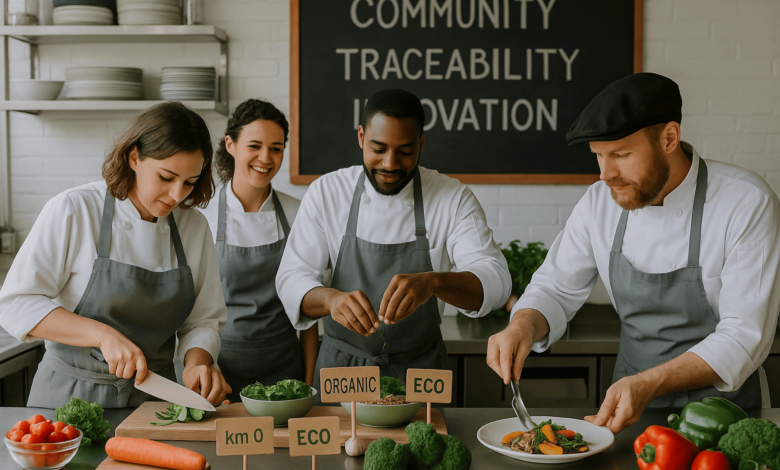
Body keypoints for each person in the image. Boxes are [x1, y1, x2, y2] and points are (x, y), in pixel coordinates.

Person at [487, 73, 780, 433]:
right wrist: (522, 326)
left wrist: (649, 383)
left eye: (622, 155)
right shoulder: (600, 204)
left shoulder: (745, 202)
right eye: (598, 156)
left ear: (669, 138)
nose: (605, 174)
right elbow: (554, 288)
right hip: (628, 414)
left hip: (725, 417)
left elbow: (743, 336)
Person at [276, 88, 511, 394]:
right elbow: (291, 278)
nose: (390, 163)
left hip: (422, 373)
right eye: (378, 148)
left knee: (426, 442)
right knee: (343, 444)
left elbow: (495, 278)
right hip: (344, 371)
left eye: (405, 150)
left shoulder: (452, 198)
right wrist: (330, 299)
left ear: (422, 143)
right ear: (361, 137)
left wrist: (434, 283)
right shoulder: (327, 193)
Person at [0, 102, 231, 408]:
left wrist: (197, 362)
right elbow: (16, 303)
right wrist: (101, 335)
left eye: (189, 182)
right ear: (134, 157)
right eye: (166, 177)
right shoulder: (75, 209)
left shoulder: (193, 227)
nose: (177, 195)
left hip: (153, 403)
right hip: (67, 401)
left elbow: (203, 319)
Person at [199, 99, 318, 402]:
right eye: (254, 145)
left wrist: (307, 384)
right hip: (217, 373)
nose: (266, 158)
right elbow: (190, 314)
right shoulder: (202, 216)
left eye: (276, 148)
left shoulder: (297, 212)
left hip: (283, 371)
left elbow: (309, 312)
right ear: (230, 144)